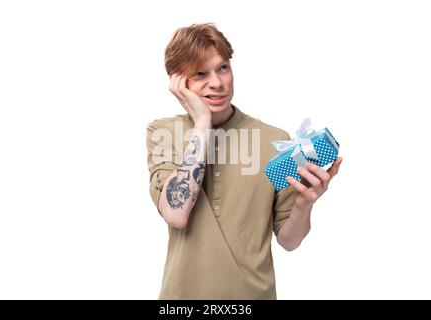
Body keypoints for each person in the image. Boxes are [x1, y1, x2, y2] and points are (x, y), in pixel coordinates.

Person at [146, 23, 342, 299]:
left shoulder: (273, 139)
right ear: (179, 83)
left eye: (223, 68)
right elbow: (176, 214)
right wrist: (203, 123)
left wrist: (304, 204)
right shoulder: (163, 132)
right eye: (200, 73)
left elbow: (290, 241)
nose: (217, 82)